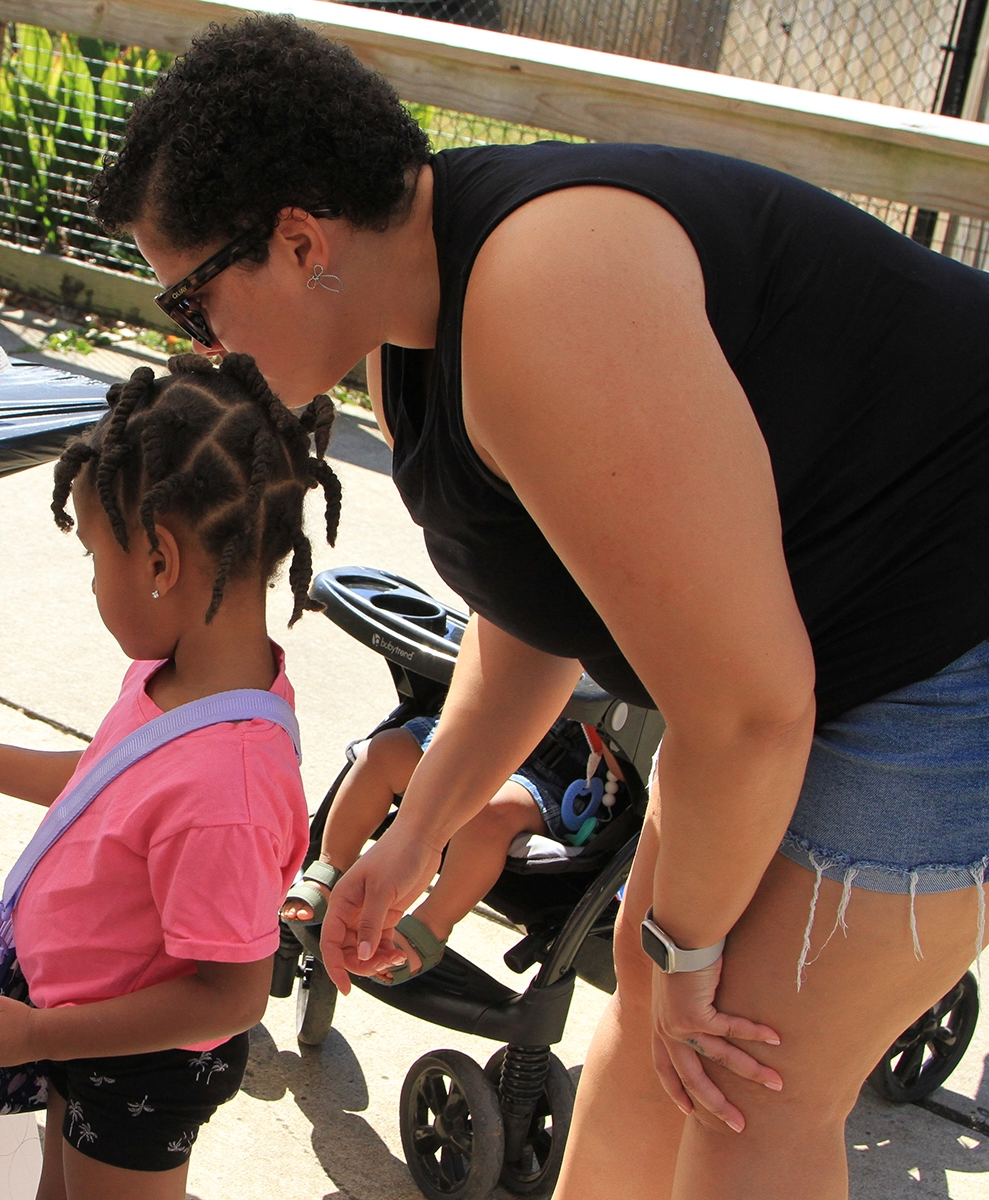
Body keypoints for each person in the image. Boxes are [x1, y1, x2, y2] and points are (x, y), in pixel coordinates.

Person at [88, 16, 989, 1199]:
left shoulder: (541, 293)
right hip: (830, 635)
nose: (201, 347)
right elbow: (532, 619)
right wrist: (412, 838)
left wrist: (691, 950)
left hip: (945, 631)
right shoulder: (413, 324)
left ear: (300, 241)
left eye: (190, 303)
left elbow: (749, 712)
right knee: (654, 999)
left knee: (745, 1079)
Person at [0, 353, 343, 1200]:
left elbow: (231, 998)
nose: (95, 584)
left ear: (161, 560)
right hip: (83, 1026)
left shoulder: (230, 790)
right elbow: (110, 789)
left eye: (96, 559)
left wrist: (35, 1038)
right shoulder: (178, 679)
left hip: (140, 1062)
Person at [280, 715, 597, 983]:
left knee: (489, 813)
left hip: (557, 776)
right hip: (478, 731)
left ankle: (432, 924)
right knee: (385, 751)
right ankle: (332, 866)